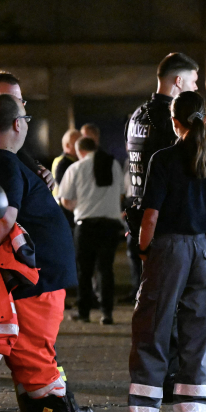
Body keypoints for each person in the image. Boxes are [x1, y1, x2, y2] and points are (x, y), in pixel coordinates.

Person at [104, 91, 206, 412]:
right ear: (204, 121)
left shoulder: (163, 160)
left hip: (168, 248)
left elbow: (149, 215)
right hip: (203, 253)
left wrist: (144, 250)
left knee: (152, 331)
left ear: (174, 122)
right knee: (198, 338)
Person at [0, 94, 101, 412]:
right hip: (34, 279)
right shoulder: (5, 163)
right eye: (26, 120)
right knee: (35, 352)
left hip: (36, 277)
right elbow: (4, 219)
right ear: (17, 124)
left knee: (37, 352)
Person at [125, 53, 200, 298]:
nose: (196, 87)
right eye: (193, 81)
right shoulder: (171, 119)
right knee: (170, 304)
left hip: (138, 219)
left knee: (146, 299)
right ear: (178, 81)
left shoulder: (137, 115)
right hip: (164, 223)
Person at [59, 137, 127, 324]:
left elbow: (65, 199)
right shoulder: (114, 165)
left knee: (85, 271)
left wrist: (80, 207)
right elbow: (122, 193)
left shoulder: (76, 168)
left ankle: (84, 312)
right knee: (106, 270)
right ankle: (107, 313)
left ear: (80, 151)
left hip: (85, 226)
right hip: (110, 226)